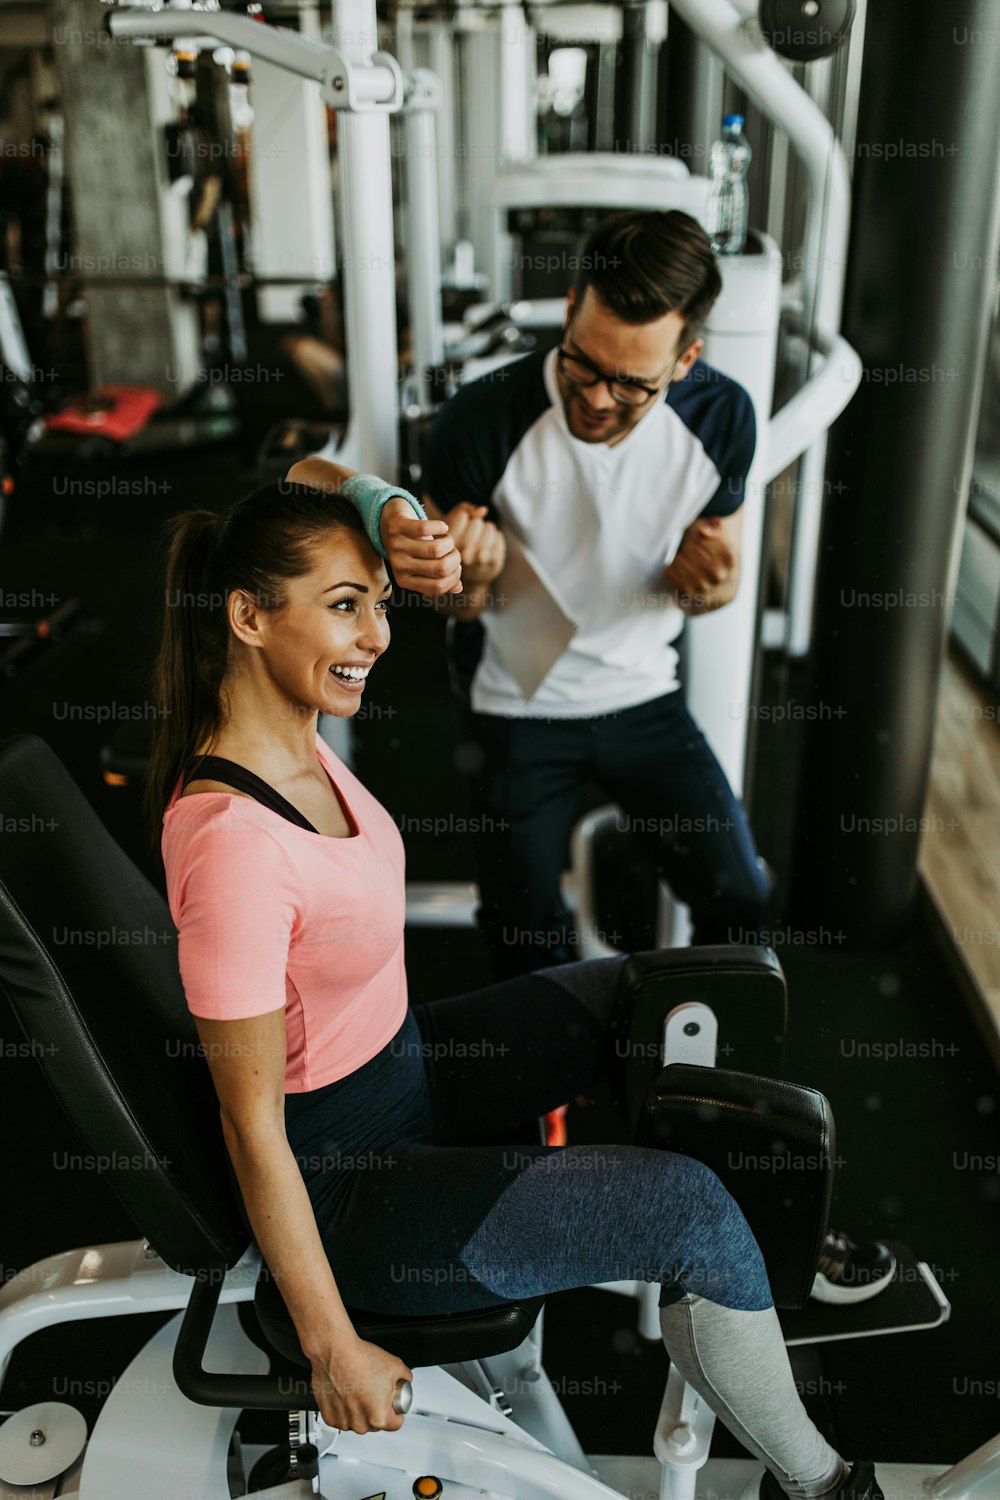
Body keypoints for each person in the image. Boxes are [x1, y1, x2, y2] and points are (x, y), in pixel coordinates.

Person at [146, 476, 882, 1498]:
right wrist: (329, 1348)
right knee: (686, 1211)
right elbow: (251, 1126)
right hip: (356, 1187)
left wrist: (389, 511)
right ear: (248, 615)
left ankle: (762, 1257)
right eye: (345, 604)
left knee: (678, 995)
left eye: (379, 602)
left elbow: (317, 482)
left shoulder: (295, 735)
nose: (378, 635)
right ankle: (828, 1485)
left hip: (412, 1066)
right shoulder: (230, 845)